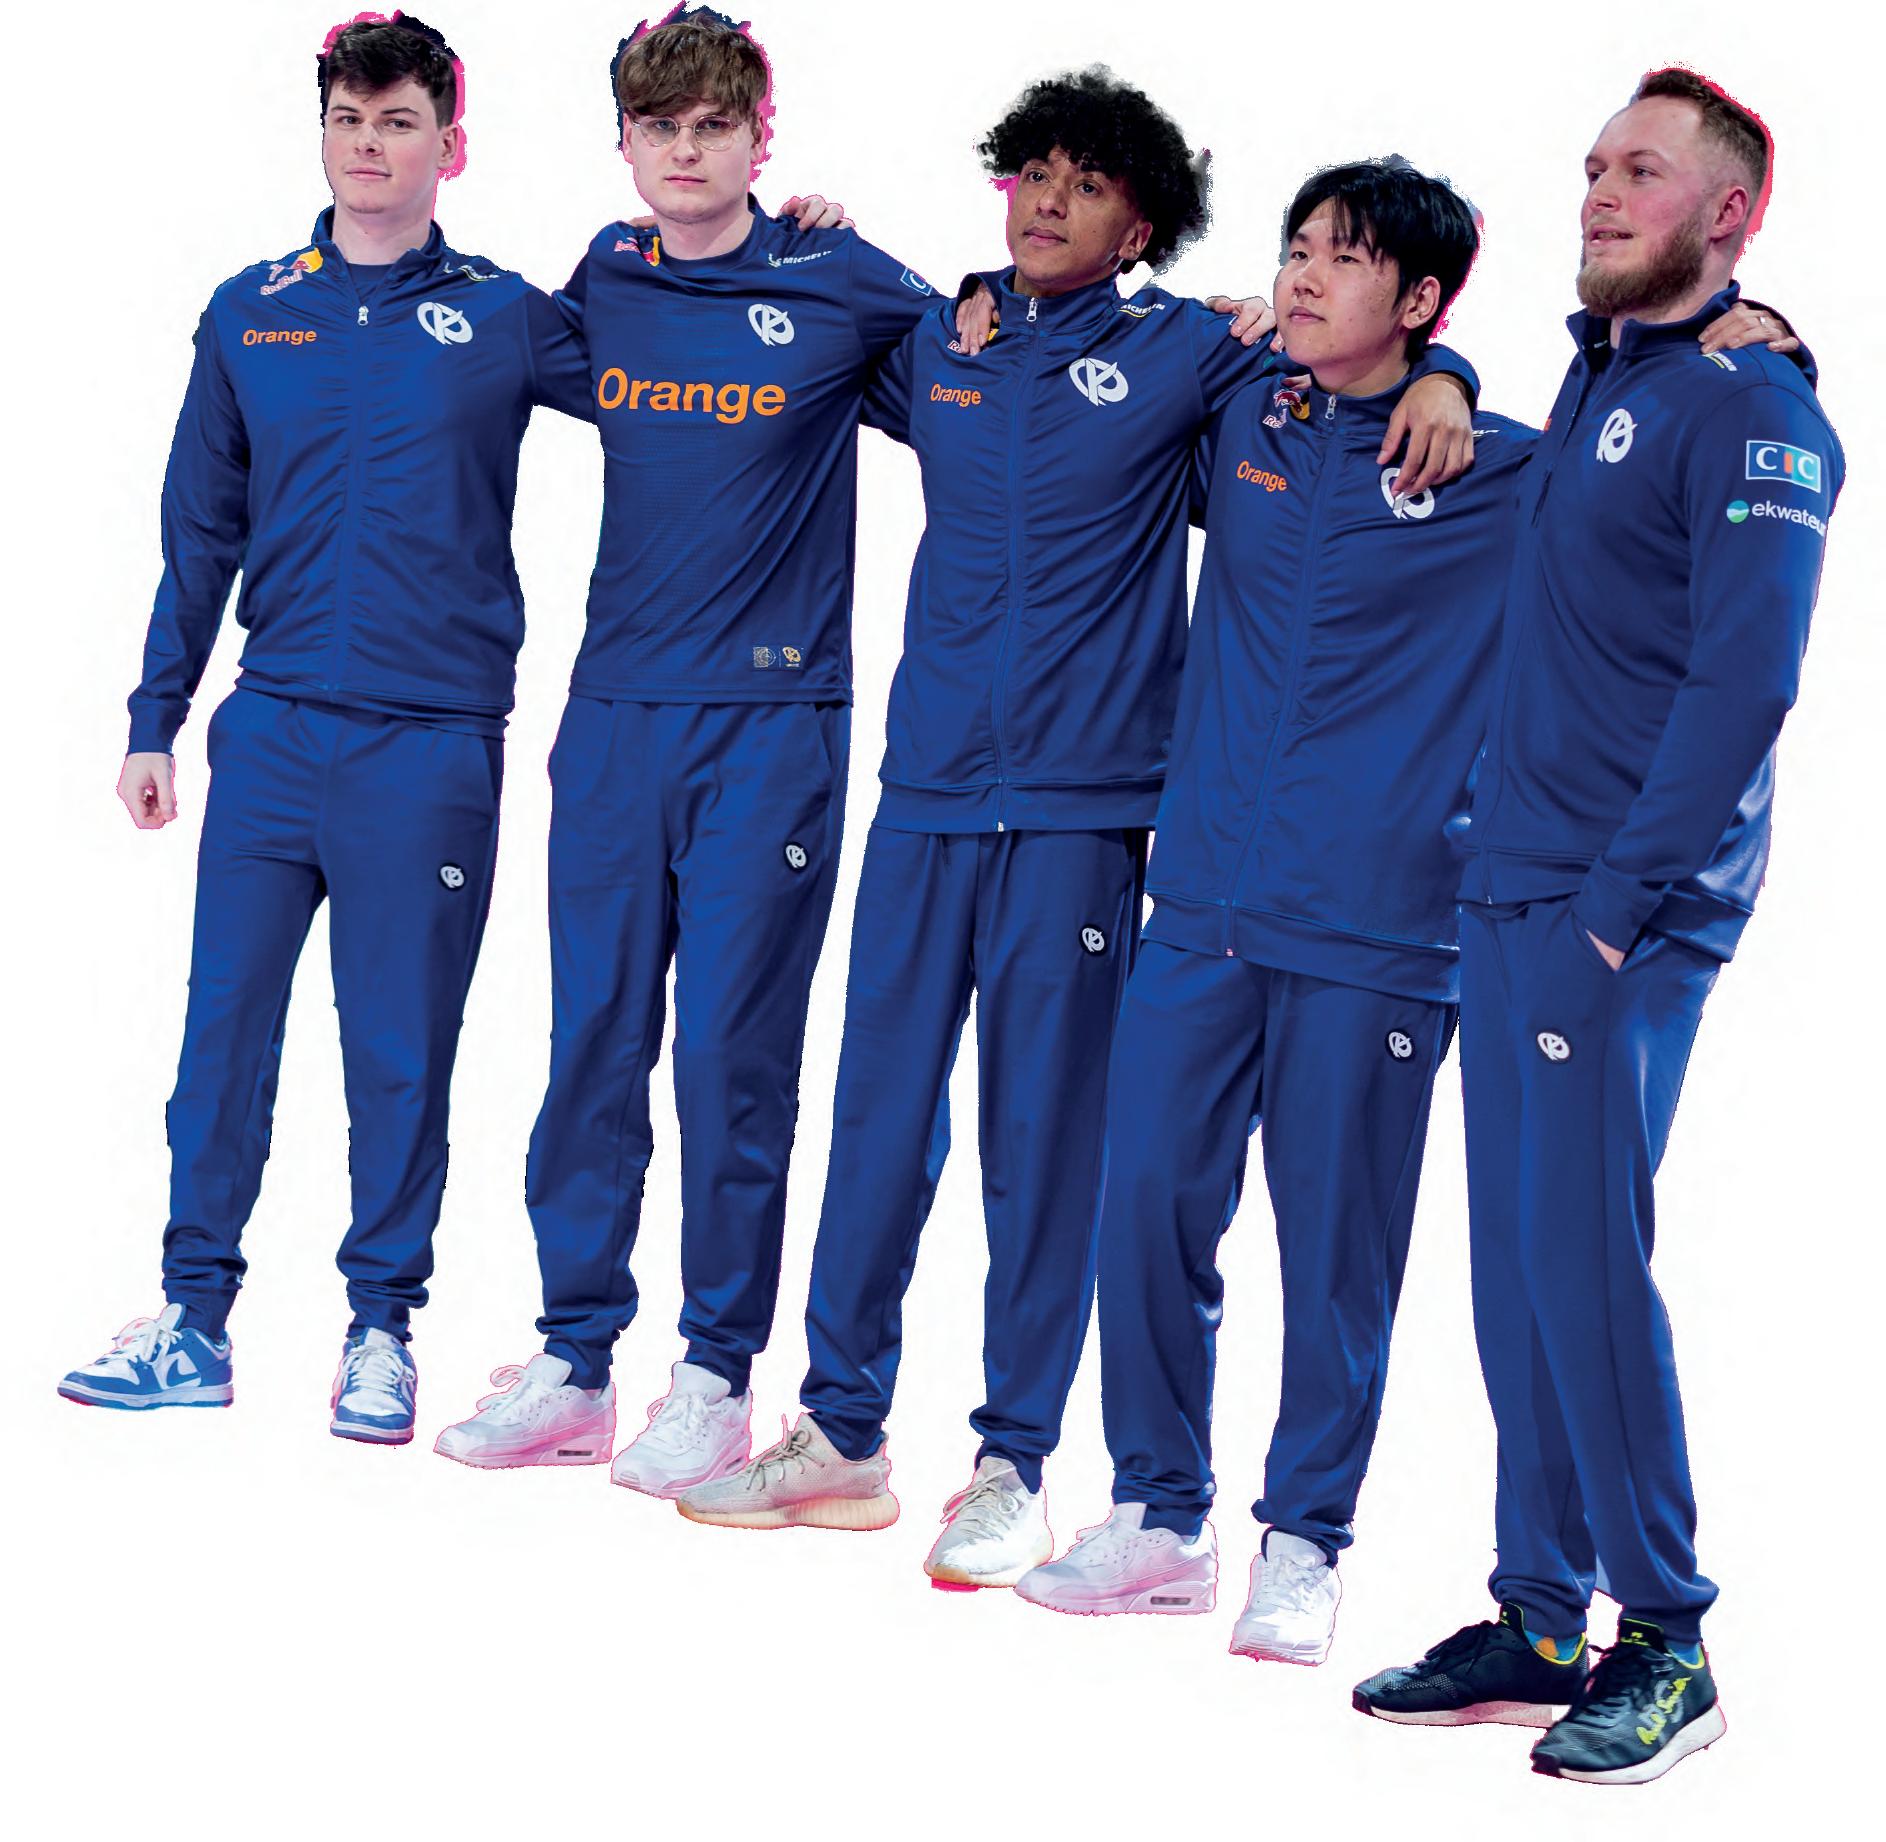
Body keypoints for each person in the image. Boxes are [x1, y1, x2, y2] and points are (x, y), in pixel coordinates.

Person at [673, 77, 1480, 1580]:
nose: (1046, 204)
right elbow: (807, 313)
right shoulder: (945, 339)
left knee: (1041, 1147)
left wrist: (1448, 375)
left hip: (1085, 812)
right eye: (1029, 175)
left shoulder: (1197, 360)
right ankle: (839, 1431)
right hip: (923, 794)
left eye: (1086, 186)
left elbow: (1354, 375)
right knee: (875, 1121)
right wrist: (804, 221)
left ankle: (1012, 1461)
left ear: (1141, 226)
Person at [1351, 70, 1841, 1786]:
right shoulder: (1603, 375)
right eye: (1590, 166)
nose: (1600, 191)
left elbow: (1746, 683)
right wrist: (1442, 369)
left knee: (1581, 1261)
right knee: (1513, 1270)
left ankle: (1667, 1634)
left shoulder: (1755, 407)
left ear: (1732, 212)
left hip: (1615, 908)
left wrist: (1620, 913)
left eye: (1641, 170)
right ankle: (1540, 1612)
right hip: (1511, 883)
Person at [433, 7, 979, 1483]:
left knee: (734, 1058)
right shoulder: (609, 276)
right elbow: (502, 367)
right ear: (624, 145)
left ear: (760, 136)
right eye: (659, 128)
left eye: (713, 127)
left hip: (770, 727)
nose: (686, 152)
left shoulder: (838, 278)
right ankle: (573, 1359)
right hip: (614, 716)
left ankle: (715, 1373)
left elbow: (991, 368)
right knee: (592, 1043)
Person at [57, 13, 593, 1443]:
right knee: (220, 1034)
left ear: (450, 146)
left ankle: (380, 1331)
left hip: (430, 741)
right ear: (324, 136)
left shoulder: (504, 314)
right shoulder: (252, 310)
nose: (370, 144)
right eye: (349, 119)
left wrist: (789, 249)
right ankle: (192, 1318)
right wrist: (157, 714)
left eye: (399, 120)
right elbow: (199, 528)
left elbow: (677, 368)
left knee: (399, 1046)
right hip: (275, 731)